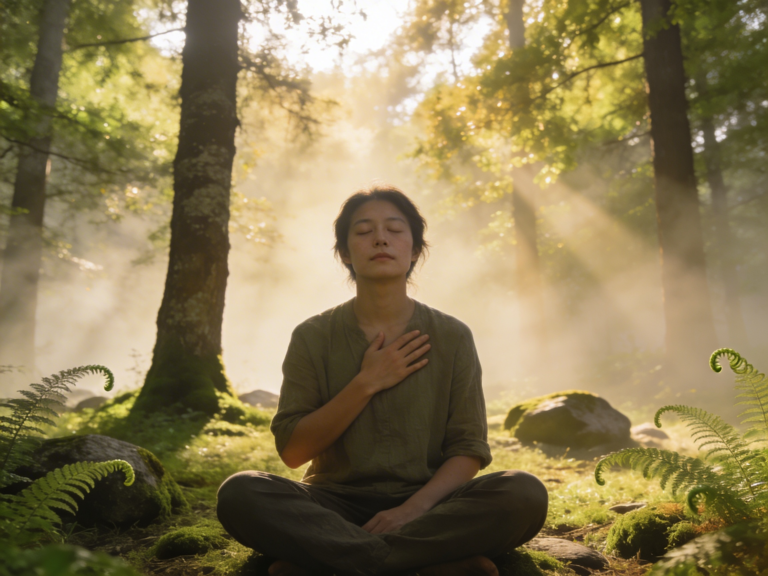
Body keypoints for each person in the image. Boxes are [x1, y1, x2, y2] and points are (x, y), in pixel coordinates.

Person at [216, 186, 548, 576]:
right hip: (333, 503)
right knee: (241, 493)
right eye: (363, 231)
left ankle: (336, 563)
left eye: (394, 229)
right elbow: (293, 451)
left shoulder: (452, 335)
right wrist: (366, 382)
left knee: (523, 492)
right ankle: (423, 566)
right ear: (344, 253)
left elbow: (468, 448)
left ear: (415, 250)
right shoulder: (313, 336)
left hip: (430, 505)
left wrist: (412, 509)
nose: (380, 238)